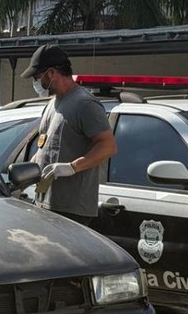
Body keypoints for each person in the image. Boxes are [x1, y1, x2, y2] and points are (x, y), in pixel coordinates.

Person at [21, 45, 117, 227]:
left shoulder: (85, 103)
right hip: (45, 202)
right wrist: (30, 170)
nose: (35, 83)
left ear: (51, 73)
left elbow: (108, 146)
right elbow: (46, 145)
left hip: (72, 209)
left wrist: (72, 167)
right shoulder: (52, 104)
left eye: (37, 77)